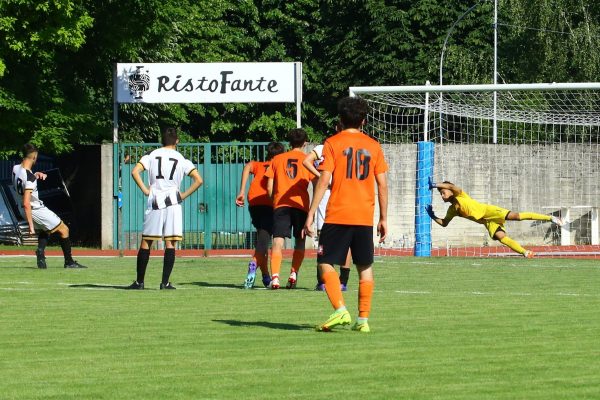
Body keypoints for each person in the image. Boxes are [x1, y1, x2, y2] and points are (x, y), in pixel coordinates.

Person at [304, 96, 388, 333]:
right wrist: (383, 217)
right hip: (364, 216)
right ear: (364, 120)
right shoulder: (374, 145)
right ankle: (363, 320)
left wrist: (311, 213)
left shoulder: (332, 143)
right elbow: (382, 184)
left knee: (324, 262)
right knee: (365, 266)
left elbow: (324, 179)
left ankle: (340, 309)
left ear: (340, 119)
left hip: (338, 214)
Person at [127, 127, 202, 290]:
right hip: (173, 203)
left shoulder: (152, 155)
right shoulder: (181, 159)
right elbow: (198, 180)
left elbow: (135, 172)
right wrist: (183, 195)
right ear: (177, 141)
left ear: (162, 140)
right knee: (170, 243)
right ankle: (165, 282)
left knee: (147, 241)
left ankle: (140, 282)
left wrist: (146, 190)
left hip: (155, 201)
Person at [426, 179, 564, 258]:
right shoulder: (452, 210)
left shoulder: (460, 195)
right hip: (487, 221)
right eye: (440, 194)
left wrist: (434, 185)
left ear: (450, 191)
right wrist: (432, 215)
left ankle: (550, 218)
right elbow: (444, 223)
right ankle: (525, 253)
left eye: (443, 192)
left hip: (489, 211)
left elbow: (450, 186)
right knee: (501, 237)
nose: (442, 195)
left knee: (516, 216)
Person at [12, 143, 86, 269]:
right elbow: (26, 202)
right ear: (34, 157)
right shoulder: (30, 178)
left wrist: (35, 175)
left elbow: (23, 182)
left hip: (23, 208)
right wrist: (31, 226)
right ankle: (69, 262)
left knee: (47, 228)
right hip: (33, 209)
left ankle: (40, 252)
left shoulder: (15, 168)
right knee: (64, 229)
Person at [264, 128, 312, 289]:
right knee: (300, 240)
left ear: (289, 142)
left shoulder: (277, 159)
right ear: (305, 143)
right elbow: (316, 182)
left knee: (278, 240)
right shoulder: (307, 160)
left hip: (281, 204)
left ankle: (275, 277)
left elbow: (269, 186)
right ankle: (293, 273)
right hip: (301, 205)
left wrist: (275, 200)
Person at [302, 139, 352, 292]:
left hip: (325, 195)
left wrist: (320, 176)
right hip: (343, 194)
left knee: (323, 238)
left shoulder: (322, 148)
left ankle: (322, 281)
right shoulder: (347, 147)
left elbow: (306, 161)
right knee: (346, 240)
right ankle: (343, 281)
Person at [235, 141, 285, 289]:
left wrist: (242, 191)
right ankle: (253, 264)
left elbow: (248, 166)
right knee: (263, 243)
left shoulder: (259, 165)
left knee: (262, 241)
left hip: (254, 203)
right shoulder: (277, 166)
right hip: (268, 204)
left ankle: (265, 277)